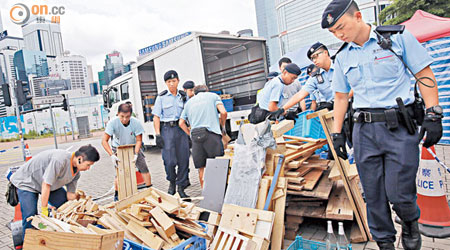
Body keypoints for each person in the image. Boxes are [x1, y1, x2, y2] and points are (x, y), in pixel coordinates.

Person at [322, 1, 443, 249]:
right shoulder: (343, 56)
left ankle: (409, 222)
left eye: (341, 27)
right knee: (373, 195)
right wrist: (336, 135)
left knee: (399, 193)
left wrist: (433, 114)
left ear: (358, 16)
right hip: (364, 131)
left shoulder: (397, 39)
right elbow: (341, 97)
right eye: (333, 32)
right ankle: (385, 242)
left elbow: (424, 74)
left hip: (399, 127)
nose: (338, 35)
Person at [10, 145, 100, 238]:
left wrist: (78, 207)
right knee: (30, 216)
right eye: (88, 165)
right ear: (80, 159)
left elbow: (70, 195)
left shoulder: (76, 173)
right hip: (27, 182)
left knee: (65, 206)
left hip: (49, 184)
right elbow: (46, 185)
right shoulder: (60, 160)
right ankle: (28, 244)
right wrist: (44, 209)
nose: (88, 168)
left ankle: (62, 236)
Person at [179, 85, 227, 188]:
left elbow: (181, 123)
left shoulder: (188, 103)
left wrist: (190, 134)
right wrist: (222, 126)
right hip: (212, 135)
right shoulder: (213, 96)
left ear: (195, 93)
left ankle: (205, 195)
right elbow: (223, 112)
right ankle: (219, 195)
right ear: (207, 90)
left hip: (196, 137)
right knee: (217, 165)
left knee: (201, 168)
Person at [272, 42, 338, 116]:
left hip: (349, 106)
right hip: (333, 112)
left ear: (325, 53)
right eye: (312, 59)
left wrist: (336, 102)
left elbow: (353, 86)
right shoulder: (316, 76)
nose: (314, 61)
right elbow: (301, 94)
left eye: (316, 56)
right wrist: (282, 109)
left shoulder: (340, 65)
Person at [102, 103, 152, 201]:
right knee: (119, 172)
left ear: (131, 115)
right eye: (122, 116)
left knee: (144, 169)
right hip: (118, 148)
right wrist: (111, 155)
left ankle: (150, 190)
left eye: (127, 117)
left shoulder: (136, 123)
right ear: (117, 114)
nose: (124, 119)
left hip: (133, 146)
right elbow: (104, 141)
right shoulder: (112, 123)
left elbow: (138, 140)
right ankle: (117, 195)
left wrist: (136, 153)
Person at [153, 70, 190, 198]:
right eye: (169, 82)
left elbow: (189, 114)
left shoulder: (183, 96)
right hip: (167, 130)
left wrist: (189, 132)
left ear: (178, 81)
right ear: (166, 83)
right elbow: (156, 117)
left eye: (174, 81)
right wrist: (158, 135)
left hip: (181, 129)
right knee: (169, 160)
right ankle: (172, 182)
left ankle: (181, 187)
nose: (172, 84)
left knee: (183, 159)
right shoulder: (161, 97)